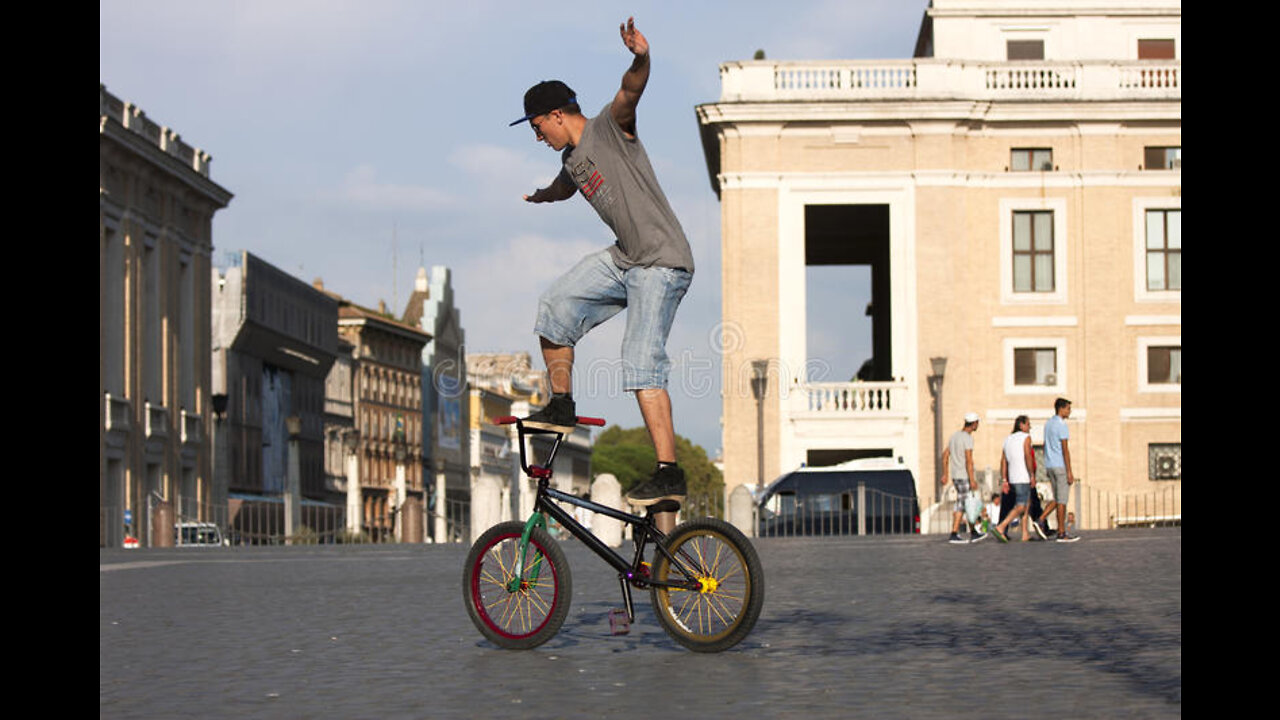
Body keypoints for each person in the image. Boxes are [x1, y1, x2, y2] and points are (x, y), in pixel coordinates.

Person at [513, 18, 694, 509]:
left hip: (662, 261)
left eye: (536, 128)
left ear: (555, 115)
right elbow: (566, 184)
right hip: (626, 259)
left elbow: (629, 93)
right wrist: (544, 196)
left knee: (639, 361)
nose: (537, 138)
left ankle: (668, 472)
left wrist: (641, 58)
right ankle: (561, 403)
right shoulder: (572, 159)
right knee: (555, 306)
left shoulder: (608, 128)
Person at [940, 412, 985, 543]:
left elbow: (945, 455)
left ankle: (973, 532)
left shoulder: (954, 436)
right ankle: (954, 533)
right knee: (961, 504)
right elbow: (969, 460)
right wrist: (972, 479)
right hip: (964, 475)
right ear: (974, 423)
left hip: (955, 476)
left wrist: (946, 474)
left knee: (966, 503)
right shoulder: (967, 438)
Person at [990, 415, 1036, 543]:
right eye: (1028, 424)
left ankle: (1025, 533)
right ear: (1021, 425)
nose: (1029, 427)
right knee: (1021, 506)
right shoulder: (1026, 438)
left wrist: (1004, 479)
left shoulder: (1008, 439)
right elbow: (1028, 456)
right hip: (1023, 476)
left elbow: (1003, 461)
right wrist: (1032, 474)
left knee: (1027, 504)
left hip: (1012, 477)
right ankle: (1001, 526)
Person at [1040, 397, 1080, 543]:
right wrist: (1069, 471)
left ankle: (1041, 519)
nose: (1069, 411)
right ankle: (1061, 532)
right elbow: (1065, 449)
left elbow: (1045, 446)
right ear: (1061, 409)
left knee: (1057, 498)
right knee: (1062, 500)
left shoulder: (1048, 424)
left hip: (1050, 465)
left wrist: (1046, 462)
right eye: (1068, 408)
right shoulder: (1062, 425)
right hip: (1060, 466)